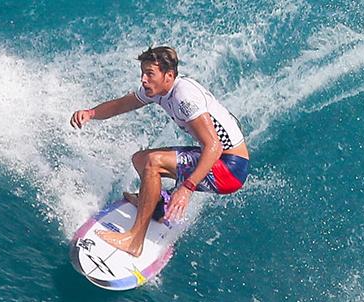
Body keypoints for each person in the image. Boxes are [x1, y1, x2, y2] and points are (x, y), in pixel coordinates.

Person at [70, 46, 249, 257]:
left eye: (150, 74)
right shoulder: (159, 90)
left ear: (169, 76)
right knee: (140, 159)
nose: (144, 79)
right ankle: (156, 208)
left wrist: (186, 188)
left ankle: (134, 241)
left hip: (229, 169)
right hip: (219, 158)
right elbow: (122, 104)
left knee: (152, 162)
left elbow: (214, 146)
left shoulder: (184, 97)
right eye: (143, 73)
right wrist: (91, 113)